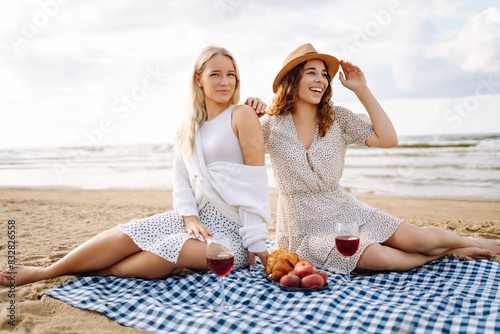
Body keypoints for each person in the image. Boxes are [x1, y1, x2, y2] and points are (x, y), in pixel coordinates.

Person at [1, 45, 271, 286]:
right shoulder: (189, 127)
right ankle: (47, 272)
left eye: (231, 74)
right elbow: (182, 182)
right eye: (215, 74)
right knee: (130, 231)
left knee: (170, 245)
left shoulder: (242, 114)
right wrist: (189, 219)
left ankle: (101, 271)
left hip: (233, 233)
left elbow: (254, 184)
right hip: (197, 219)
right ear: (198, 79)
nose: (225, 82)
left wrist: (256, 240)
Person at [261, 43, 500, 274]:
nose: (320, 80)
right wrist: (245, 114)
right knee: (380, 258)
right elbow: (231, 150)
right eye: (311, 73)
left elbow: (388, 139)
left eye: (324, 74)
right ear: (292, 79)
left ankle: (462, 239)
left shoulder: (337, 119)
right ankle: (445, 253)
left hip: (345, 208)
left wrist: (361, 89)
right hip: (305, 226)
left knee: (420, 240)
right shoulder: (271, 126)